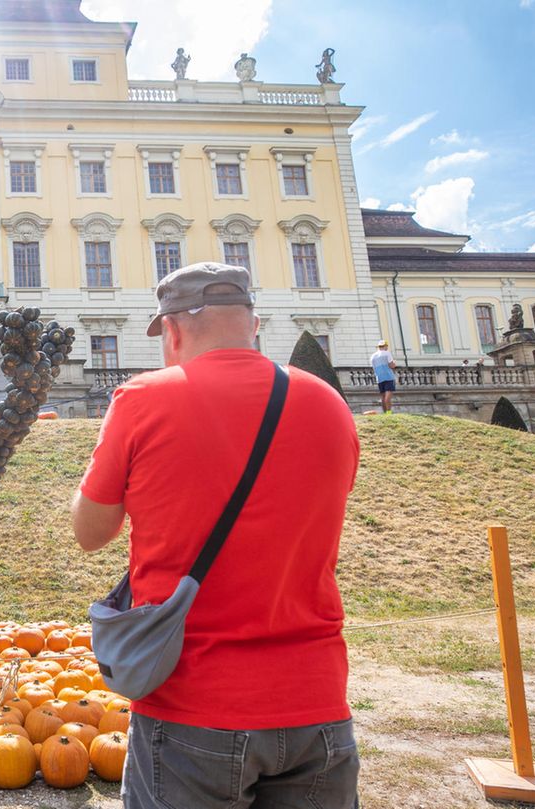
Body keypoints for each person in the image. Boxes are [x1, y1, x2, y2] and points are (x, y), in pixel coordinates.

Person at [71, 262, 360, 809]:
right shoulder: (330, 404)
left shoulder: (143, 399)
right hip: (317, 700)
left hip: (192, 703)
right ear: (254, 324)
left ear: (173, 330)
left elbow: (91, 532)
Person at [370, 339, 397, 413]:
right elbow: (391, 365)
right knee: (388, 397)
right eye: (386, 346)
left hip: (379, 378)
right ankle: (389, 412)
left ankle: (385, 412)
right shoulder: (387, 353)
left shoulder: (373, 356)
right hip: (388, 377)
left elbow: (373, 368)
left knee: (383, 397)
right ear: (385, 346)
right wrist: (394, 364)